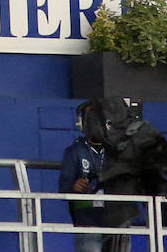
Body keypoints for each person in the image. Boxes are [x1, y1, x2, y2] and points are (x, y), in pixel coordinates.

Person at [59, 102, 114, 252]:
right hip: (86, 216)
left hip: (116, 216)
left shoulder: (117, 150)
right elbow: (63, 187)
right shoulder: (74, 151)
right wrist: (73, 186)